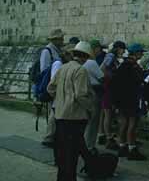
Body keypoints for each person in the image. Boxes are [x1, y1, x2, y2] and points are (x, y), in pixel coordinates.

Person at [47, 41, 95, 181]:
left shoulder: (63, 67)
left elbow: (50, 88)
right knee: (72, 156)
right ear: (85, 57)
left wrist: (62, 99)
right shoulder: (80, 70)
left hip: (60, 115)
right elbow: (80, 95)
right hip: (75, 117)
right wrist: (90, 108)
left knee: (63, 155)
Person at [112, 43, 146, 160]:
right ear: (135, 53)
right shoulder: (134, 66)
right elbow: (139, 81)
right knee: (132, 124)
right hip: (132, 99)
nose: (142, 54)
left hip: (121, 100)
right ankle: (132, 148)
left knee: (123, 123)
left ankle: (122, 146)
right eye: (140, 52)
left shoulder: (122, 65)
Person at [98, 40, 126, 149]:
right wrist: (112, 76)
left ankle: (106, 135)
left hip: (108, 87)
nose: (123, 52)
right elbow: (103, 69)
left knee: (107, 114)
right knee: (108, 114)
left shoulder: (110, 56)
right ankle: (109, 137)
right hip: (108, 88)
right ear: (118, 48)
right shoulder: (110, 56)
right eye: (122, 49)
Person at [41, 29, 65, 147]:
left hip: (55, 84)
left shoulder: (56, 50)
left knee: (54, 111)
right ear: (56, 40)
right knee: (53, 111)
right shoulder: (47, 51)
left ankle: (52, 136)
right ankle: (49, 137)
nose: (62, 40)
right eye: (61, 39)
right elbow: (44, 70)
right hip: (51, 85)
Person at [83, 46, 104, 153]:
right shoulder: (91, 62)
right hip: (93, 92)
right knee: (93, 121)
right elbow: (102, 77)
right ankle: (89, 146)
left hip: (82, 93)